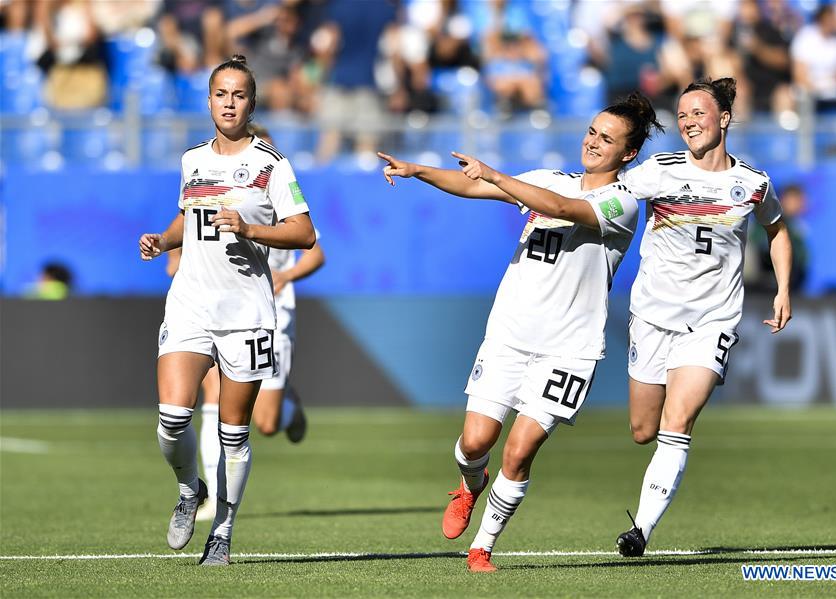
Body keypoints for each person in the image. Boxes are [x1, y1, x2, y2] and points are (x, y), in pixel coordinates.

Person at [379, 92, 663, 572]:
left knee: (520, 449)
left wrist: (496, 175)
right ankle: (471, 484)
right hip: (510, 333)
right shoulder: (547, 177)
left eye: (607, 139)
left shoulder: (624, 201)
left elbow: (560, 207)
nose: (593, 143)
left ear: (628, 154)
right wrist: (418, 171)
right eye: (592, 131)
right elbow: (473, 188)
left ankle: (482, 548)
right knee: (475, 443)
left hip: (568, 349)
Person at [138, 55, 316, 566]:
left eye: (239, 95)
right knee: (172, 418)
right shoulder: (192, 159)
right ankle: (189, 486)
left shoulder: (271, 165)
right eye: (221, 94)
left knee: (233, 431)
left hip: (247, 312)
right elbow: (185, 217)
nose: (230, 103)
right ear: (210, 101)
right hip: (191, 302)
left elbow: (303, 233)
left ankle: (223, 529)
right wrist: (162, 239)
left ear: (251, 102)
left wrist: (250, 228)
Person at [613, 77, 792, 556]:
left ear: (724, 119)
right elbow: (602, 200)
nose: (689, 122)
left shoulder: (752, 183)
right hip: (651, 316)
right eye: (683, 114)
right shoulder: (659, 171)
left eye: (699, 113)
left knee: (677, 423)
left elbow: (776, 229)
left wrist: (783, 288)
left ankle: (640, 533)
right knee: (642, 430)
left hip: (713, 319)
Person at [166, 122, 326, 522]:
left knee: (265, 423)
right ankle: (203, 495)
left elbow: (312, 246)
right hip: (204, 308)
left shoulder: (275, 175)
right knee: (204, 402)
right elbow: (187, 226)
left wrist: (286, 275)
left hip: (263, 310)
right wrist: (169, 246)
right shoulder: (202, 168)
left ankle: (290, 409)